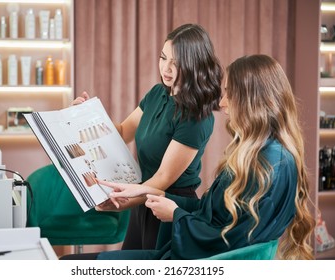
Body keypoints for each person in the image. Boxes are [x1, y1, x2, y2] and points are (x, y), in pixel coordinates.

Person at [62, 54, 315, 260]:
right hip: (173, 226)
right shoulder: (265, 156)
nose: (223, 103)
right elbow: (211, 212)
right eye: (163, 58)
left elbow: (228, 242)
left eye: (230, 93)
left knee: (68, 265)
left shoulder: (266, 165)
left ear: (253, 101)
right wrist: (86, 117)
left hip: (194, 257)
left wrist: (175, 214)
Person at [72, 23, 223, 250]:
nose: (167, 68)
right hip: (143, 200)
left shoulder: (196, 117)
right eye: (163, 58)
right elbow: (122, 132)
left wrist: (123, 203)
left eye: (177, 63)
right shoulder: (156, 93)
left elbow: (163, 178)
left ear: (194, 65)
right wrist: (85, 116)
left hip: (168, 208)